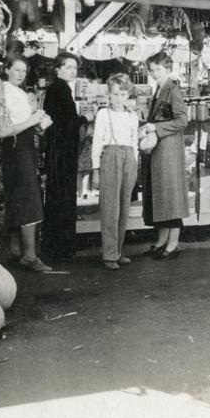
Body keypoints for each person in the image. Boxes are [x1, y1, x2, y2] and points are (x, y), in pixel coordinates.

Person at [0, 54, 53, 272]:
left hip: (25, 146)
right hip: (16, 149)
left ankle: (17, 251)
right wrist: (31, 121)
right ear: (6, 70)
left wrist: (39, 124)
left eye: (24, 71)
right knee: (29, 199)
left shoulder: (19, 92)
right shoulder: (2, 92)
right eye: (17, 69)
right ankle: (29, 255)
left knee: (21, 197)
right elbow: (3, 131)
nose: (21, 74)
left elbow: (24, 123)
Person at [139, 52, 191, 260]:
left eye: (157, 70)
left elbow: (182, 121)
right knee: (162, 195)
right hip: (161, 150)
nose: (153, 74)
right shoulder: (161, 88)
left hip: (168, 149)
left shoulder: (172, 89)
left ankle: (173, 244)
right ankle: (162, 241)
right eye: (151, 70)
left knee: (171, 196)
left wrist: (155, 126)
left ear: (168, 69)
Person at [92, 73, 139, 270]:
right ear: (109, 95)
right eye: (115, 94)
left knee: (123, 206)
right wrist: (95, 169)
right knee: (110, 206)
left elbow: (135, 142)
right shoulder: (103, 114)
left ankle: (116, 251)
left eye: (122, 94)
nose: (118, 98)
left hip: (129, 157)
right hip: (110, 156)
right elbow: (96, 142)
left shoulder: (133, 116)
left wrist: (135, 164)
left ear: (128, 95)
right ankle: (109, 254)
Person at [43, 52, 85, 260]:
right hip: (61, 152)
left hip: (58, 150)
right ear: (57, 69)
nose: (72, 70)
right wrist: (85, 119)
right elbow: (68, 121)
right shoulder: (59, 89)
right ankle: (61, 247)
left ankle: (57, 245)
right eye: (68, 67)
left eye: (74, 67)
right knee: (62, 195)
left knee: (59, 195)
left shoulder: (58, 88)